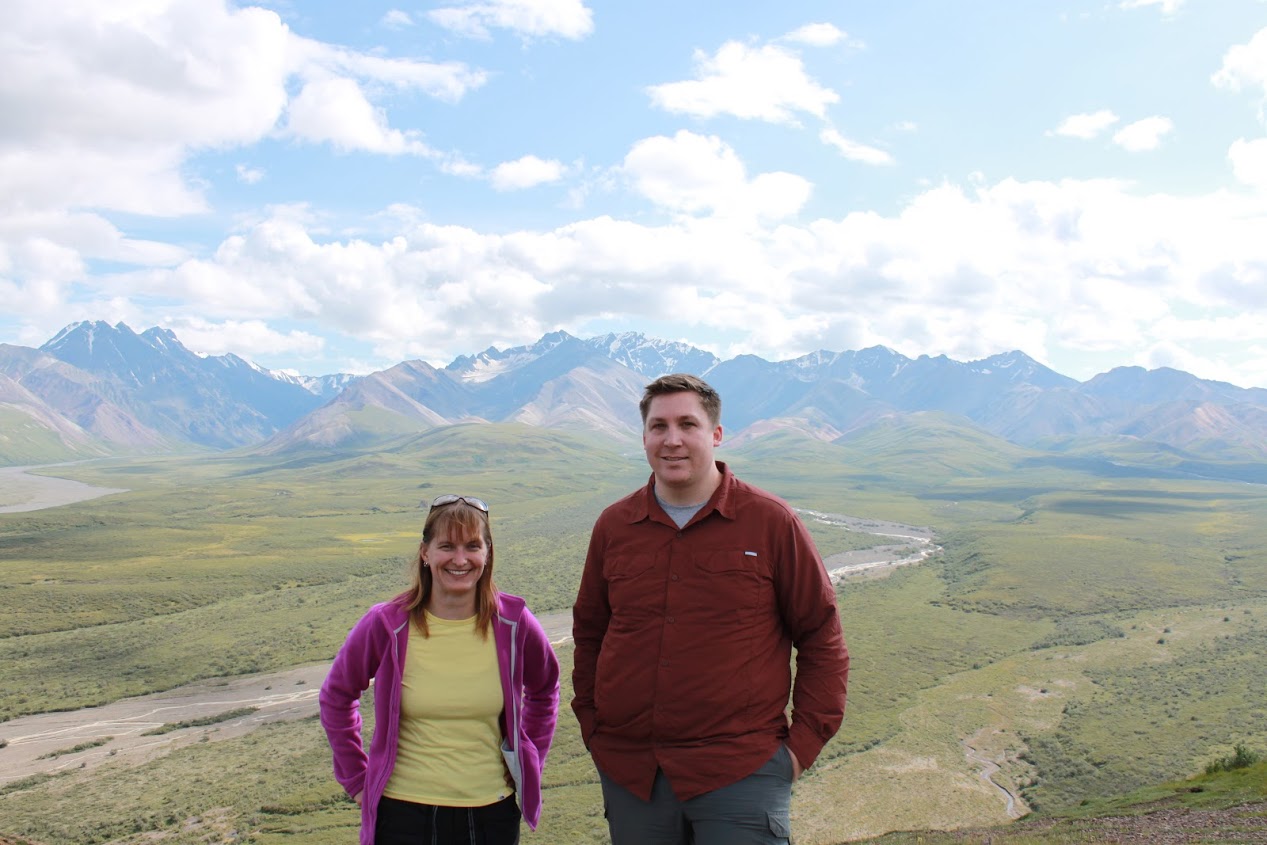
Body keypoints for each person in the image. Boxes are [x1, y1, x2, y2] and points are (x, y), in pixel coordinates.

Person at [571, 373, 849, 845]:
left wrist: (799, 750)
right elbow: (591, 633)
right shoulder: (615, 526)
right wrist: (593, 725)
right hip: (633, 773)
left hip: (740, 772)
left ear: (716, 434)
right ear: (644, 437)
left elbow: (822, 636)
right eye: (658, 427)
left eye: (687, 425)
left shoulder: (771, 522)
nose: (672, 440)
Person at [321, 494, 560, 845]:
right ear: (425, 553)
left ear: (487, 553)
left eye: (472, 546)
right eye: (446, 546)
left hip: (491, 812)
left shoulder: (513, 622)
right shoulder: (387, 624)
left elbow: (545, 690)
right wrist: (357, 780)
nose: (460, 559)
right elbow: (336, 696)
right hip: (402, 813)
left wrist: (529, 763)